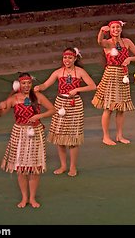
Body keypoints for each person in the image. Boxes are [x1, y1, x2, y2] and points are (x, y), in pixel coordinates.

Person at [33, 47, 96, 177]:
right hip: (60, 104)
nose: (67, 60)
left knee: (73, 138)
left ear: (75, 58)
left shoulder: (80, 72)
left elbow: (92, 86)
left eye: (70, 58)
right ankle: (63, 165)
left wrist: (77, 89)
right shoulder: (57, 72)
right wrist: (39, 87)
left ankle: (73, 167)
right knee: (60, 137)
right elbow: (46, 85)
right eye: (65, 57)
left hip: (75, 105)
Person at [0, 73, 55, 208]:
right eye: (24, 83)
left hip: (35, 132)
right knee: (21, 168)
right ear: (19, 85)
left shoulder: (38, 96)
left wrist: (39, 116)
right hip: (19, 133)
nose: (27, 85)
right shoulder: (14, 99)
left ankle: (32, 198)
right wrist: (0, 107)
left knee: (34, 167)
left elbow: (53, 110)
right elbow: (0, 114)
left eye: (29, 83)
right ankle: (24, 198)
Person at [92, 21, 135, 145]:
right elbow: (99, 41)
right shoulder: (108, 43)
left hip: (123, 75)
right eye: (113, 27)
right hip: (110, 75)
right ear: (109, 30)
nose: (116, 29)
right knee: (108, 107)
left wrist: (130, 59)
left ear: (121, 28)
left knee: (121, 108)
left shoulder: (127, 42)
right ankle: (106, 136)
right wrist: (101, 32)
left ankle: (119, 135)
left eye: (117, 27)